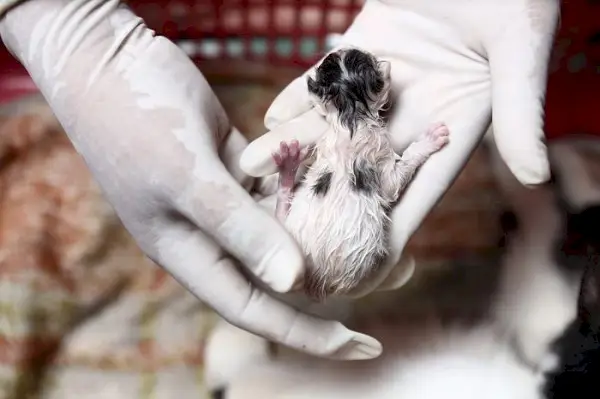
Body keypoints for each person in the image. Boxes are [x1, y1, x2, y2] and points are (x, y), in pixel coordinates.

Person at [0, 0, 559, 360]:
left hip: (327, 227)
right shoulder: (368, 144)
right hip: (339, 228)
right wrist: (61, 21)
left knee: (306, 212)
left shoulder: (345, 140)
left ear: (319, 94)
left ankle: (294, 198)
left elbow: (379, 187)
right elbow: (387, 185)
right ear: (381, 93)